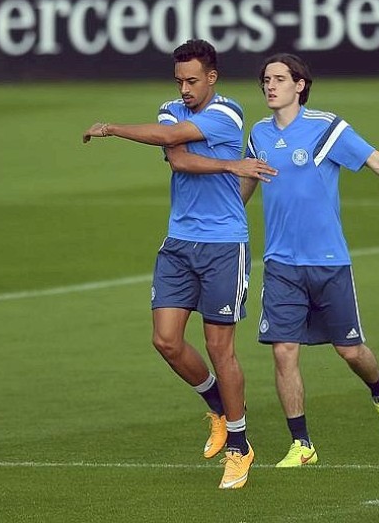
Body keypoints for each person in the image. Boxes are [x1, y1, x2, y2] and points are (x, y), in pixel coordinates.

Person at [239, 53, 379, 467]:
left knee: (351, 351)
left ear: (299, 85)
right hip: (281, 264)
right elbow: (245, 186)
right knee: (283, 350)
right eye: (265, 79)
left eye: (279, 79)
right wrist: (221, 224)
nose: (270, 86)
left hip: (328, 262)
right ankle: (302, 445)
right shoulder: (260, 134)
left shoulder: (326, 128)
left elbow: (376, 160)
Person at [83, 39, 275, 489]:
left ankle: (239, 445)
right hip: (179, 242)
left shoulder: (227, 113)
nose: (184, 89)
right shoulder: (172, 108)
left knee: (219, 348)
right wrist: (229, 167)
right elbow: (178, 156)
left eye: (192, 81)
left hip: (224, 243)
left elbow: (172, 142)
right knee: (166, 341)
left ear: (212, 78)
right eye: (179, 81)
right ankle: (217, 407)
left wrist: (111, 128)